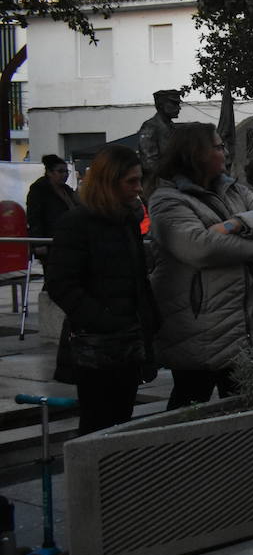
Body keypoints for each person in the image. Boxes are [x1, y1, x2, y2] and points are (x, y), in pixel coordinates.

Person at [147, 123, 253, 408]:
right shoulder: (167, 200)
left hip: (242, 323)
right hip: (199, 325)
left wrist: (236, 223)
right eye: (218, 147)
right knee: (189, 409)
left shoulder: (232, 189)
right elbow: (200, 248)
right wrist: (251, 245)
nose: (225, 152)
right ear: (196, 153)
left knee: (244, 412)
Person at [46, 145, 159, 435]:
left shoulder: (127, 220)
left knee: (121, 420)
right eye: (130, 182)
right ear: (109, 182)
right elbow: (61, 283)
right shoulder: (77, 223)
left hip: (129, 340)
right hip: (96, 345)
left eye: (139, 180)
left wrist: (147, 322)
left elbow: (137, 280)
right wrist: (103, 320)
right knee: (97, 424)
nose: (137, 189)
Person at [25, 154, 78, 260]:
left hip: (70, 240)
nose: (65, 175)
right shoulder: (38, 190)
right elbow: (34, 217)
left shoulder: (67, 190)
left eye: (66, 171)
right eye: (60, 171)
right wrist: (39, 242)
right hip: (50, 240)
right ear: (49, 172)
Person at [137, 88, 182, 174]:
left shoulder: (172, 127)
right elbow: (149, 163)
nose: (179, 108)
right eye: (174, 104)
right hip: (157, 181)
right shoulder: (150, 126)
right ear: (161, 105)